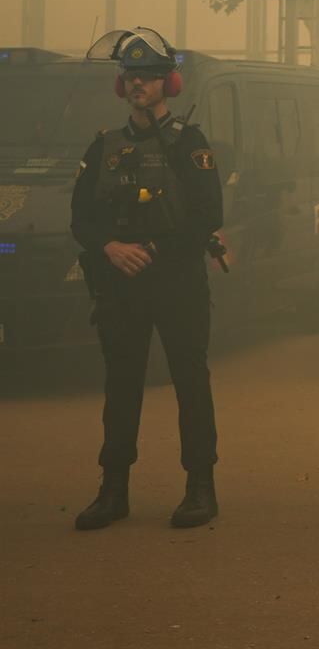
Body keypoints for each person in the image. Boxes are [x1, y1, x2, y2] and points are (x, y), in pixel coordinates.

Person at [69, 27, 225, 531]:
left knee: (190, 383)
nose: (139, 84)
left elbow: (206, 214)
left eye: (151, 76)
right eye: (131, 76)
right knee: (121, 387)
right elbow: (81, 219)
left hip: (177, 284)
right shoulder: (104, 148)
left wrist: (152, 250)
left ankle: (200, 489)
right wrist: (110, 248)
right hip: (120, 287)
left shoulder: (190, 145)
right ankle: (113, 491)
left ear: (169, 83)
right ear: (122, 84)